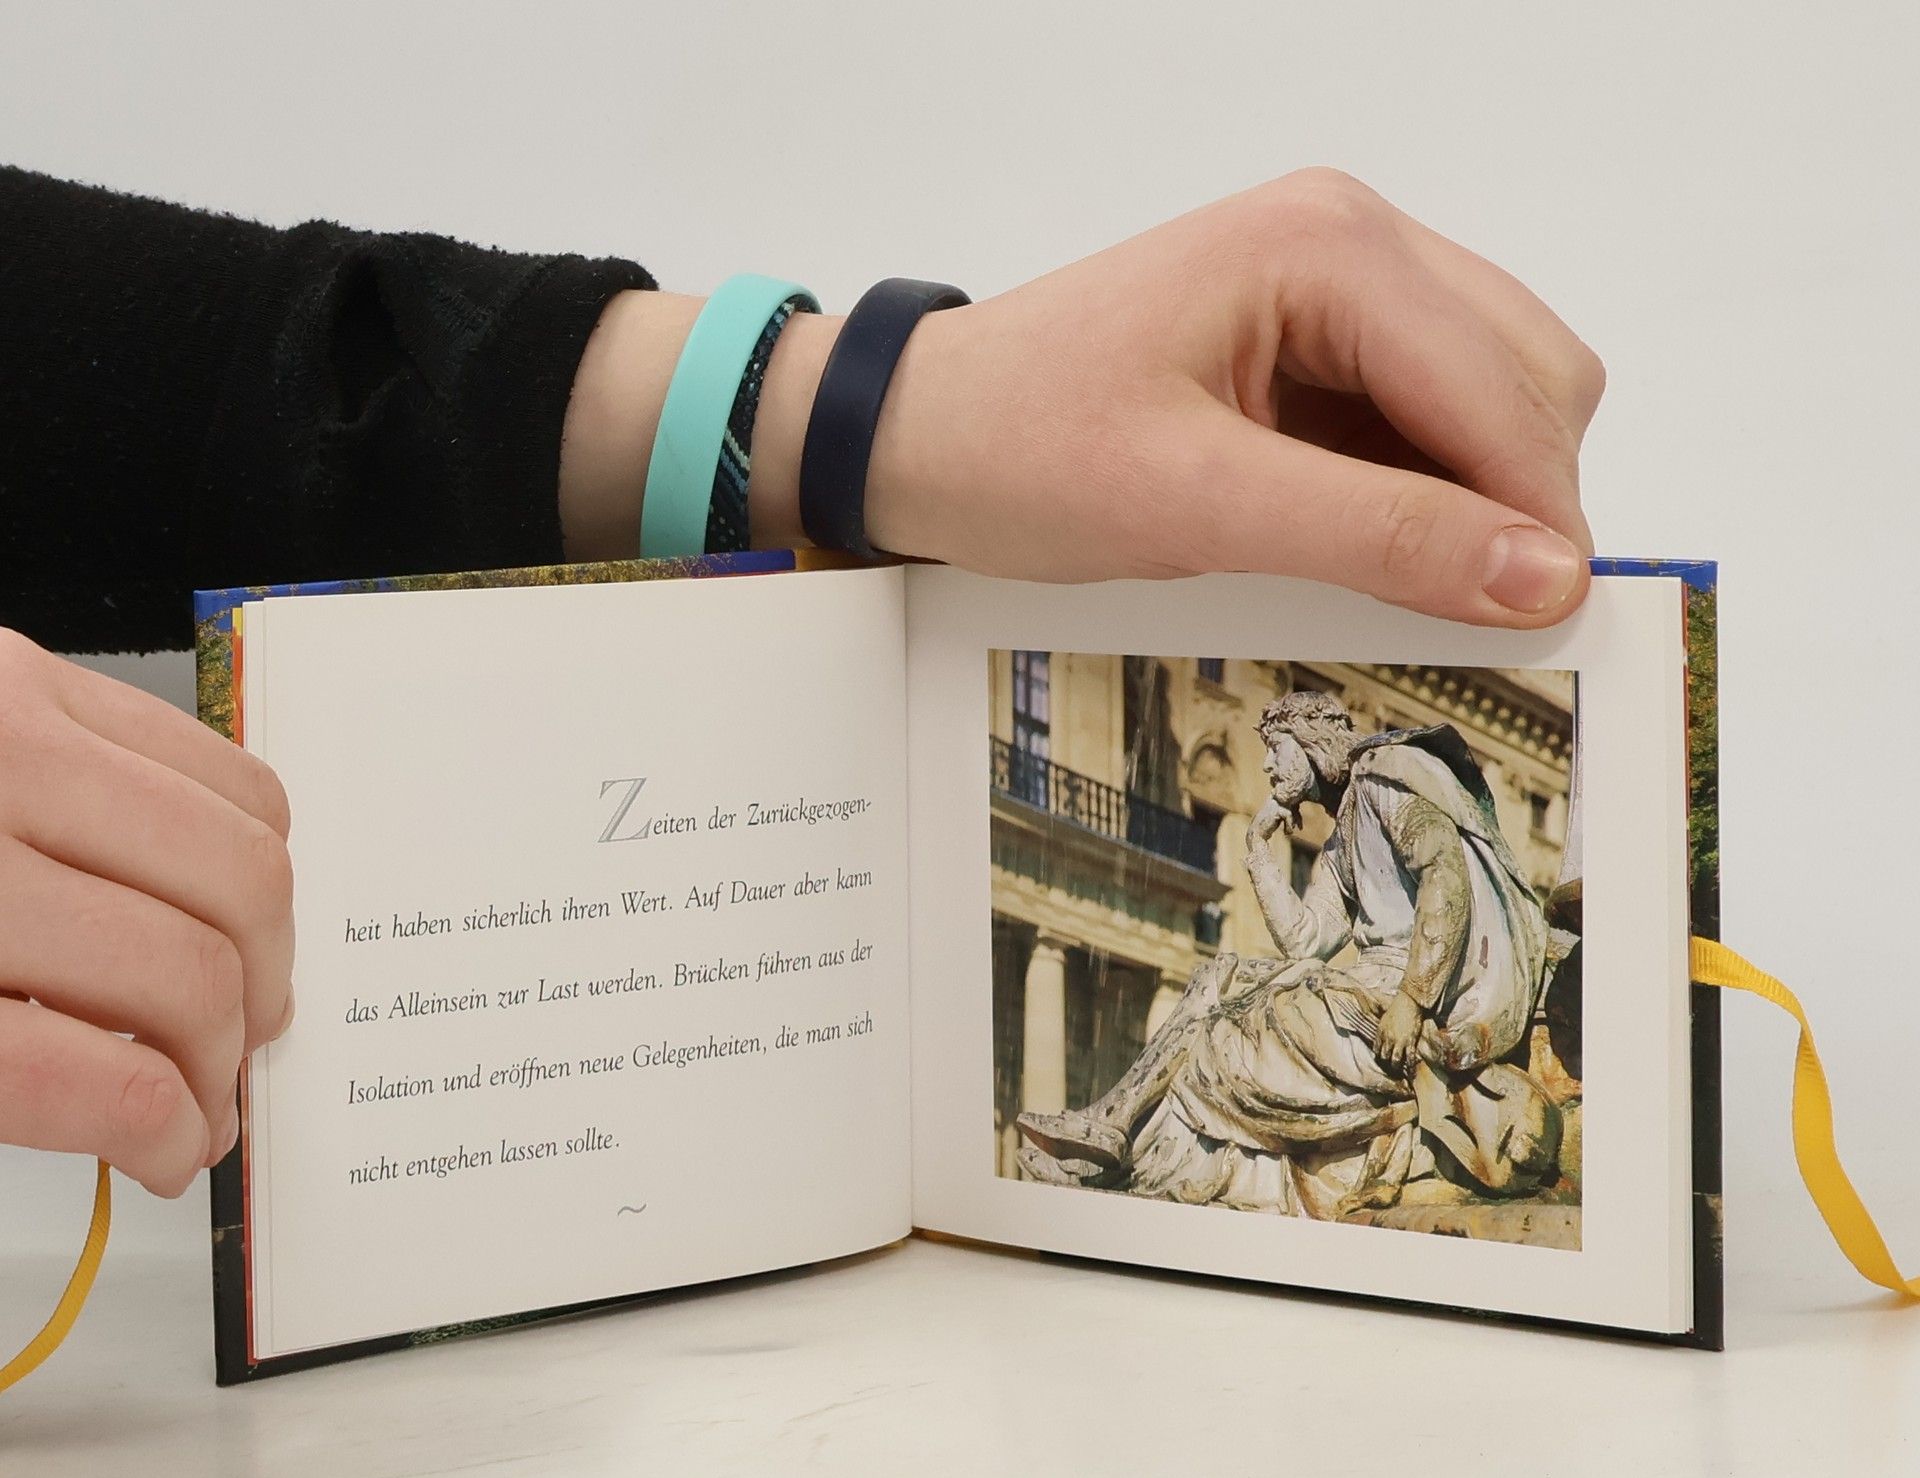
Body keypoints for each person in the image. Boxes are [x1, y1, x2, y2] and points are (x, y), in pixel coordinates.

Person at [0, 164, 1605, 1201]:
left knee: (1213, 1034)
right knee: (1203, 1034)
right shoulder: (1346, 812)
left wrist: (863, 408)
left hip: (1381, 1013)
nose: (1284, 762)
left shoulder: (1405, 804)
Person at [1015, 689, 1562, 1216]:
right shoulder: (1343, 834)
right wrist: (1256, 848)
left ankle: (1124, 1143)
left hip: (1406, 991)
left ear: (1310, 742)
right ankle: (1111, 1124)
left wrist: (1413, 1000)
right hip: (1368, 987)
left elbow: (1444, 871)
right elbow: (1305, 939)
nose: (1268, 767)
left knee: (1221, 1034)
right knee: (1216, 974)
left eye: (1277, 750)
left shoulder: (1383, 776)